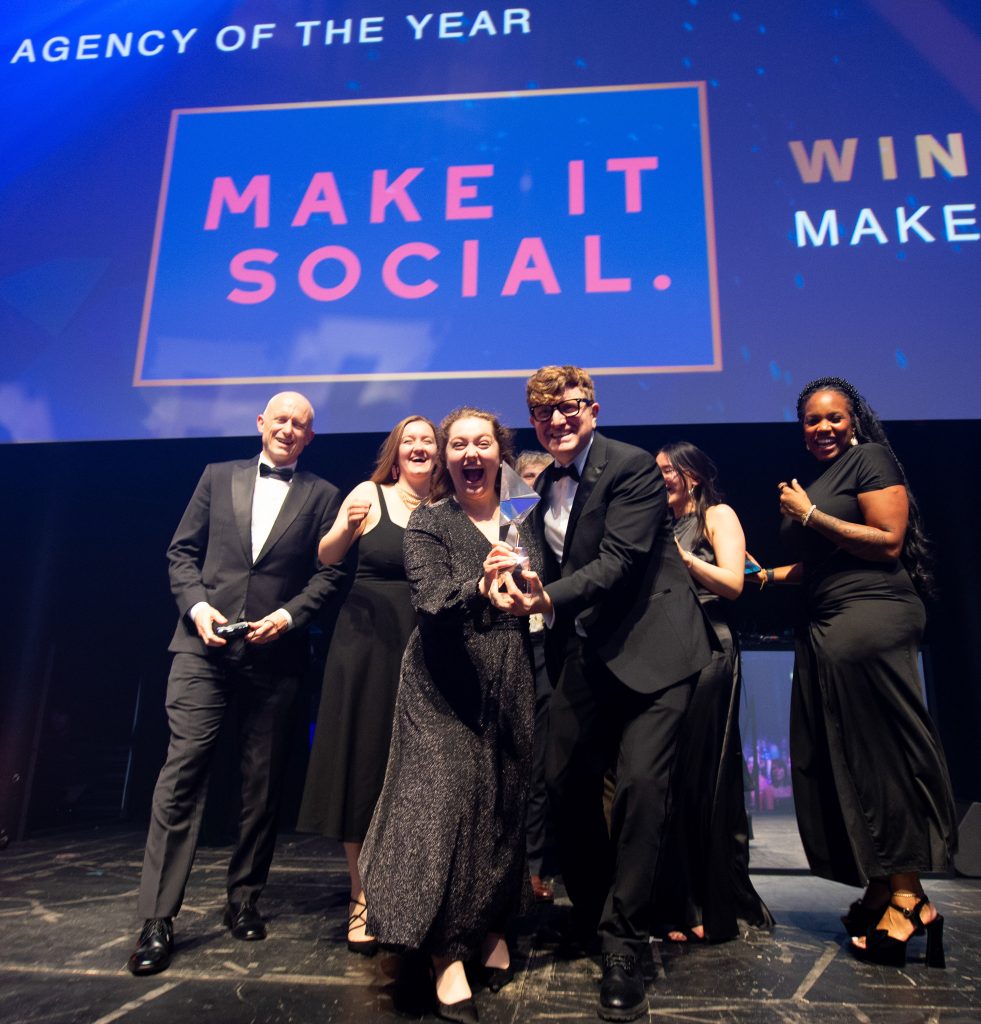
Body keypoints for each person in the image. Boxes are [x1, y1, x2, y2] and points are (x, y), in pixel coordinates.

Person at [492, 366, 714, 1022]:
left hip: (655, 650)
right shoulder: (536, 485)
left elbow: (619, 561)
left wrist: (543, 600)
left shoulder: (631, 466)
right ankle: (591, 913)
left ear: (593, 408)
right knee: (560, 781)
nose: (556, 420)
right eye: (543, 413)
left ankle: (624, 945)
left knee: (641, 788)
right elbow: (528, 554)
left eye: (569, 407)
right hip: (585, 654)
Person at [127, 392, 342, 976]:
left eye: (300, 425)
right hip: (202, 650)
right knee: (181, 776)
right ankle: (157, 918)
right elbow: (181, 553)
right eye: (281, 420)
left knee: (262, 787)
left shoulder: (324, 495)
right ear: (261, 424)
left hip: (276, 657)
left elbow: (329, 575)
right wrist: (196, 608)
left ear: (310, 437)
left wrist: (290, 617)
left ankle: (244, 898)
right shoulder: (216, 476)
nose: (289, 430)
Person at [763, 375, 956, 968]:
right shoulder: (823, 479)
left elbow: (887, 541)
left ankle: (909, 899)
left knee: (879, 755)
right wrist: (764, 576)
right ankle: (882, 885)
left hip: (871, 615)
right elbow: (823, 561)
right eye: (812, 420)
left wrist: (809, 513)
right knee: (846, 756)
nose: (822, 427)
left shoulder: (869, 459)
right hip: (830, 619)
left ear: (855, 421)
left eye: (834, 417)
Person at [359, 407, 540, 1024]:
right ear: (446, 457)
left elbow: (541, 593)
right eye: (457, 444)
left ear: (499, 453)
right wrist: (481, 587)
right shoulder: (430, 522)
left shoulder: (521, 517)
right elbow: (432, 600)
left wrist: (530, 594)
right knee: (442, 805)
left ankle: (488, 921)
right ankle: (444, 951)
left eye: (481, 442)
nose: (469, 453)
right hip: (442, 679)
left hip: (508, 673)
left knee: (501, 802)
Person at [296, 415, 438, 955]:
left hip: (427, 645)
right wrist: (343, 529)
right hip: (367, 646)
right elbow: (327, 556)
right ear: (395, 453)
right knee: (363, 767)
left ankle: (411, 896)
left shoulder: (448, 507)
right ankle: (361, 896)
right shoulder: (368, 494)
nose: (419, 447)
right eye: (409, 441)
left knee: (418, 773)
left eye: (428, 440)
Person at [651, 442, 773, 944]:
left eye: (667, 470)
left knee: (703, 774)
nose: (660, 477)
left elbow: (733, 583)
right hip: (666, 649)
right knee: (670, 777)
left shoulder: (716, 515)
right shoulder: (659, 521)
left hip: (708, 646)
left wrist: (682, 559)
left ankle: (708, 902)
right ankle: (673, 902)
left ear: (693, 476)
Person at [515, 449, 558, 904]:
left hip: (547, 645)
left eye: (540, 480)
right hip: (507, 645)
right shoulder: (499, 527)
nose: (532, 487)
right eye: (525, 478)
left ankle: (534, 867)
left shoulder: (554, 531)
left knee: (542, 763)